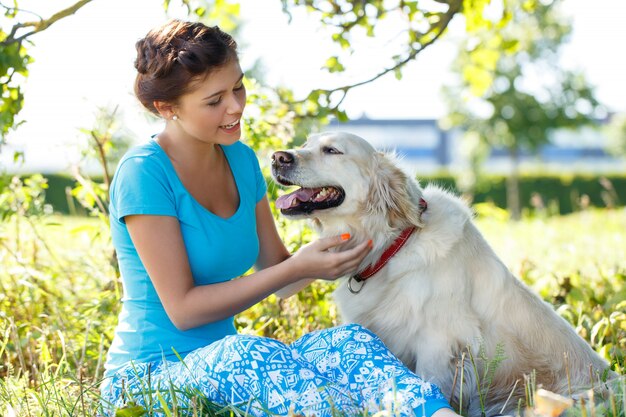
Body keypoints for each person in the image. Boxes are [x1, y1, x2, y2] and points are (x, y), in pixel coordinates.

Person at [100, 19, 460, 417]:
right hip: (148, 381)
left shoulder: (240, 161)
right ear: (167, 109)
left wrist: (371, 233)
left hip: (227, 367)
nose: (235, 106)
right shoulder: (144, 173)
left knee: (349, 343)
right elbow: (183, 310)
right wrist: (299, 268)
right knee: (249, 351)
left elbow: (280, 271)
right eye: (214, 100)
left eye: (237, 86)